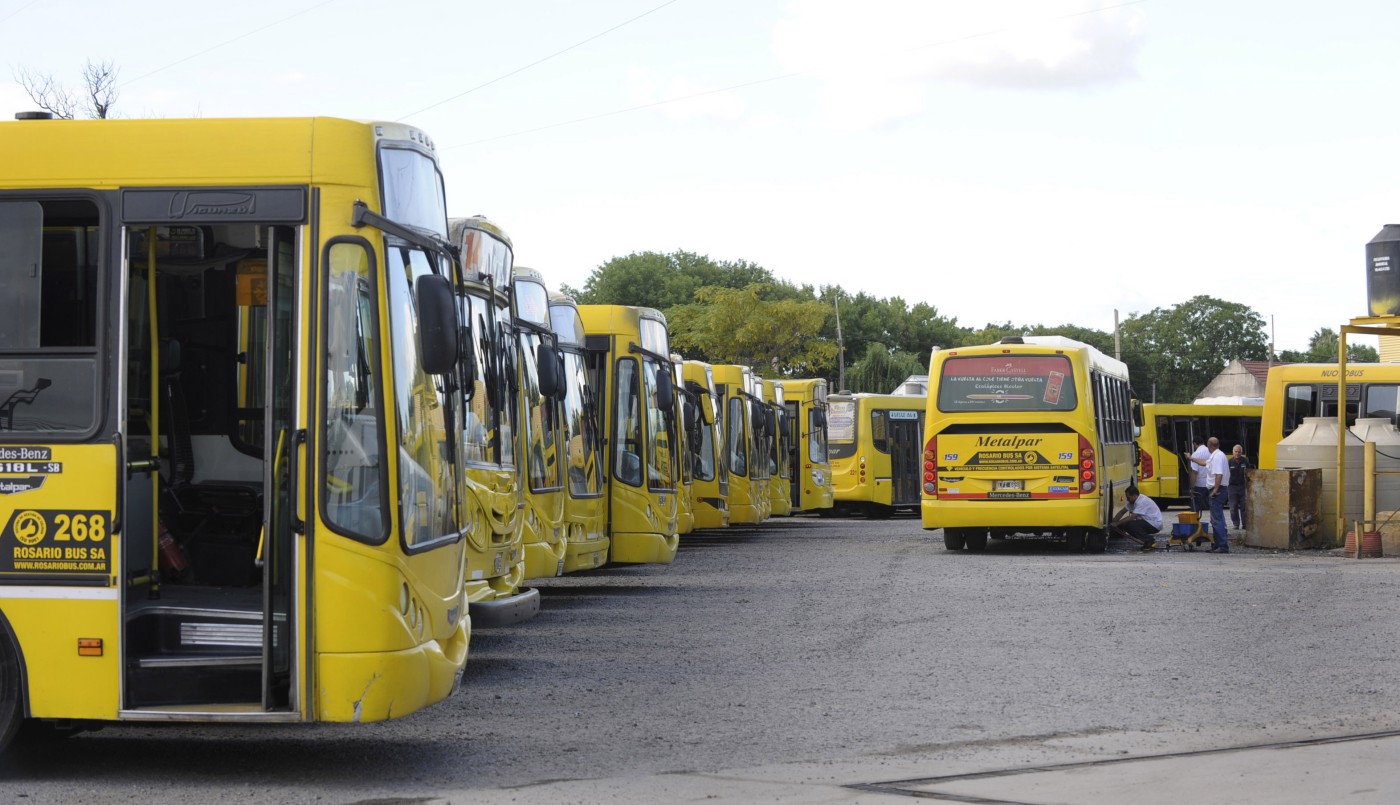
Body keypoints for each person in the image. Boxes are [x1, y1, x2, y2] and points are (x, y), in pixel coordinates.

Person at [1110, 485, 1163, 551]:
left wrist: (1117, 523)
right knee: (1126, 525)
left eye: (1128, 497)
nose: (1127, 499)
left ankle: (1150, 541)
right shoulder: (1133, 501)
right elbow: (1122, 512)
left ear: (1134, 496)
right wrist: (1113, 522)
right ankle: (1147, 541)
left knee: (1131, 525)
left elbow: (1132, 517)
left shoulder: (1141, 501)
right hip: (1148, 522)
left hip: (1154, 524)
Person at [1206, 436, 1231, 552]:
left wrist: (1215, 490)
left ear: (1209, 446)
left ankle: (1222, 545)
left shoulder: (1217, 457)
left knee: (1217, 519)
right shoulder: (1218, 455)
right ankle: (1218, 544)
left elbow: (1219, 474)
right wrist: (1192, 458)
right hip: (1221, 489)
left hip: (1218, 490)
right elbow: (1205, 463)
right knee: (1217, 517)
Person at [1227, 443, 1251, 531]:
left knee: (1244, 507)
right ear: (1233, 452)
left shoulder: (1245, 461)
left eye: (1239, 452)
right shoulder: (1229, 462)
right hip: (1232, 487)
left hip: (1243, 486)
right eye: (1235, 452)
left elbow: (1249, 473)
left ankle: (1245, 524)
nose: (1237, 453)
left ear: (1241, 452)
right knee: (1233, 507)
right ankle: (1236, 524)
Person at [1187, 435, 1211, 517]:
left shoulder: (1195, 454)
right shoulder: (1211, 452)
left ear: (1195, 444)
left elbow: (1194, 472)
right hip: (1211, 483)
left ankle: (1194, 524)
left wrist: (1192, 487)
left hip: (1199, 484)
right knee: (1212, 506)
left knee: (1195, 506)